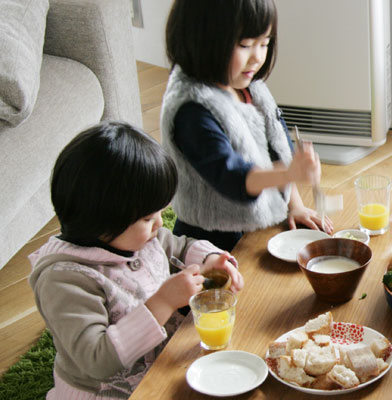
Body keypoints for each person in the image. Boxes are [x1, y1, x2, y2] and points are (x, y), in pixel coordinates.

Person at [29, 121, 245, 399]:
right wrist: (164, 302)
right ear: (102, 219)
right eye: (147, 218)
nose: (158, 223)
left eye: (160, 212)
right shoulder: (64, 279)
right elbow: (97, 361)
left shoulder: (136, 237)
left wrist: (211, 258)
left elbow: (177, 245)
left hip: (161, 365)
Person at [161, 0, 331, 251]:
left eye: (265, 43)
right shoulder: (192, 110)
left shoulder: (247, 86)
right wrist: (289, 173)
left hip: (258, 221)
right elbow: (232, 176)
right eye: (245, 45)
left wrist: (294, 205)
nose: (258, 57)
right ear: (202, 37)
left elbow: (278, 149)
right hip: (211, 240)